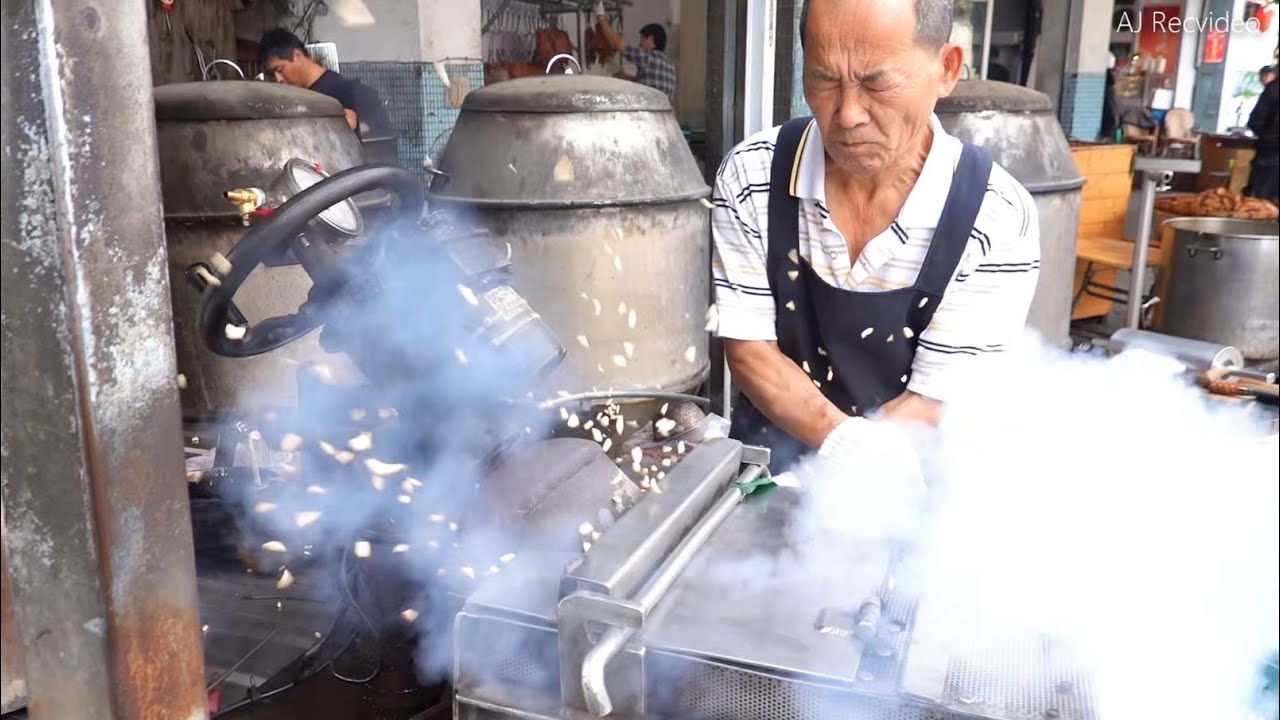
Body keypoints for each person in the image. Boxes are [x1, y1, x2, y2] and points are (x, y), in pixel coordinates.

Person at [711, 0, 1040, 472]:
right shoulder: (753, 176)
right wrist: (840, 442)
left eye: (876, 82)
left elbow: (934, 400)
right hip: (769, 472)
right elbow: (750, 349)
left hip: (909, 483)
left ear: (946, 69)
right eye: (824, 79)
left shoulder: (995, 216)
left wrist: (859, 475)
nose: (847, 115)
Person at [257, 28, 393, 139]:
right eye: (271, 75)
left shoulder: (339, 87)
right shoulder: (298, 94)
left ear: (298, 56)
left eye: (280, 70)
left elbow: (353, 125)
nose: (278, 79)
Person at [593, 15, 677, 106]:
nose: (640, 43)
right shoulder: (670, 65)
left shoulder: (648, 57)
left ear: (651, 39)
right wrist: (621, 74)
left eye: (642, 38)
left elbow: (619, 45)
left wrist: (601, 18)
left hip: (649, 114)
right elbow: (646, 83)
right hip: (666, 116)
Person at [1245, 65, 1278, 204]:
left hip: (1269, 157)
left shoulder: (1274, 89)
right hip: (1270, 155)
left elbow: (1255, 122)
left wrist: (1268, 135)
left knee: (1261, 208)